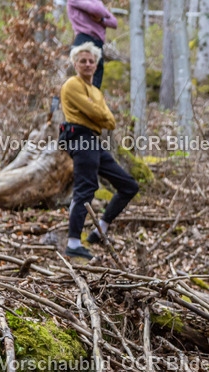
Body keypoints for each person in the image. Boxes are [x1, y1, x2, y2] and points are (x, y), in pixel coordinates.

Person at [59, 42, 138, 260]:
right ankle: (73, 242)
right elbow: (98, 113)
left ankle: (100, 229)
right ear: (75, 64)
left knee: (129, 185)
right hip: (79, 137)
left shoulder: (95, 91)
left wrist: (99, 114)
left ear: (96, 65)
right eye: (82, 61)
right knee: (86, 186)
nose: (87, 64)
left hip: (93, 140)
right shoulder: (71, 85)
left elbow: (110, 122)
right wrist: (99, 114)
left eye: (91, 61)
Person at [66, 0, 118, 89]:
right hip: (84, 39)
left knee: (97, 77)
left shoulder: (95, 1)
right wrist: (103, 12)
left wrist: (101, 19)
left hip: (98, 42)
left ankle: (93, 101)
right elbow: (98, 10)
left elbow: (114, 22)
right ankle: (82, 100)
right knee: (83, 73)